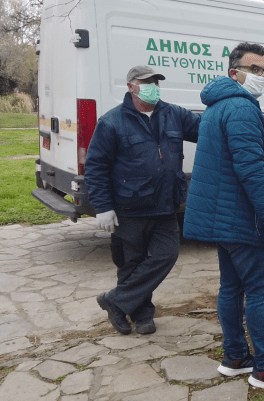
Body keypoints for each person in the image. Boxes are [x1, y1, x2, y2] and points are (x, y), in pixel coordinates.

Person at [183, 42, 264, 392]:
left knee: (231, 287)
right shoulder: (241, 109)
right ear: (234, 72)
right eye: (255, 69)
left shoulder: (217, 106)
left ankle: (236, 356)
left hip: (223, 218)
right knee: (260, 289)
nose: (262, 76)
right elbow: (250, 170)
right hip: (243, 218)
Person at [85, 65, 201, 335]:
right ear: (131, 86)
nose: (153, 86)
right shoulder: (112, 121)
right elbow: (96, 166)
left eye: (155, 82)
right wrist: (102, 207)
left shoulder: (174, 114)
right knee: (130, 264)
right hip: (130, 208)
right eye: (146, 82)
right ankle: (142, 315)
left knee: (167, 255)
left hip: (165, 205)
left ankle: (114, 300)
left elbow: (205, 128)